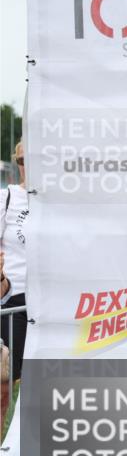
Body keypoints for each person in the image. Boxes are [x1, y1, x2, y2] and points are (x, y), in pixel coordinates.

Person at [1, 141, 29, 381]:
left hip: (54, 300)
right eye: (22, 161)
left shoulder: (61, 202)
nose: (28, 166)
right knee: (10, 379)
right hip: (13, 300)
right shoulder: (7, 197)